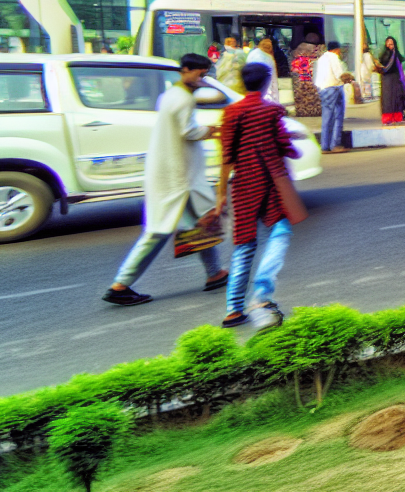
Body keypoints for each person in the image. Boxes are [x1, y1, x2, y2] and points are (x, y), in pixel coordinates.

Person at [102, 53, 227, 306]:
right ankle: (121, 284)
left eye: (205, 75)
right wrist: (214, 132)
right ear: (185, 70)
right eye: (200, 74)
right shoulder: (183, 99)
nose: (202, 79)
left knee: (200, 224)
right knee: (158, 232)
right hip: (178, 178)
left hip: (176, 174)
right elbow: (188, 131)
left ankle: (215, 273)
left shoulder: (171, 94)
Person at [211, 61, 307, 328]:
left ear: (243, 83)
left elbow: (226, 157)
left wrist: (221, 194)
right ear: (266, 83)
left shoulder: (231, 113)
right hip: (271, 184)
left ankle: (233, 308)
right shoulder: (272, 111)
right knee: (281, 232)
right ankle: (262, 295)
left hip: (244, 186)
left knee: (244, 245)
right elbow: (284, 143)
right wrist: (293, 149)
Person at [313, 40, 351, 153]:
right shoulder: (334, 57)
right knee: (338, 117)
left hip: (323, 89)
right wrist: (348, 78)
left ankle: (324, 146)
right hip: (334, 88)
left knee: (326, 118)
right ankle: (335, 145)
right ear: (337, 49)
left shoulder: (321, 59)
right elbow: (339, 74)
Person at [375, 36, 405, 124]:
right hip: (387, 80)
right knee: (388, 99)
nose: (390, 45)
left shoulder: (396, 54)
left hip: (396, 79)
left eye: (391, 43)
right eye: (388, 43)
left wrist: (403, 78)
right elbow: (385, 68)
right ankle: (388, 118)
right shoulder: (385, 55)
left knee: (397, 98)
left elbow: (400, 68)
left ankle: (396, 117)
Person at [289, 37, 322, 118]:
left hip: (301, 84)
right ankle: (314, 111)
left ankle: (303, 112)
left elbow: (294, 70)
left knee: (302, 99)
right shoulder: (316, 59)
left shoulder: (297, 59)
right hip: (312, 83)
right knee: (313, 99)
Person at [246, 37, 278, 103]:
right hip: (265, 91)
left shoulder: (252, 54)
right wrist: (276, 99)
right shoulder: (268, 58)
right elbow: (273, 79)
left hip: (252, 90)